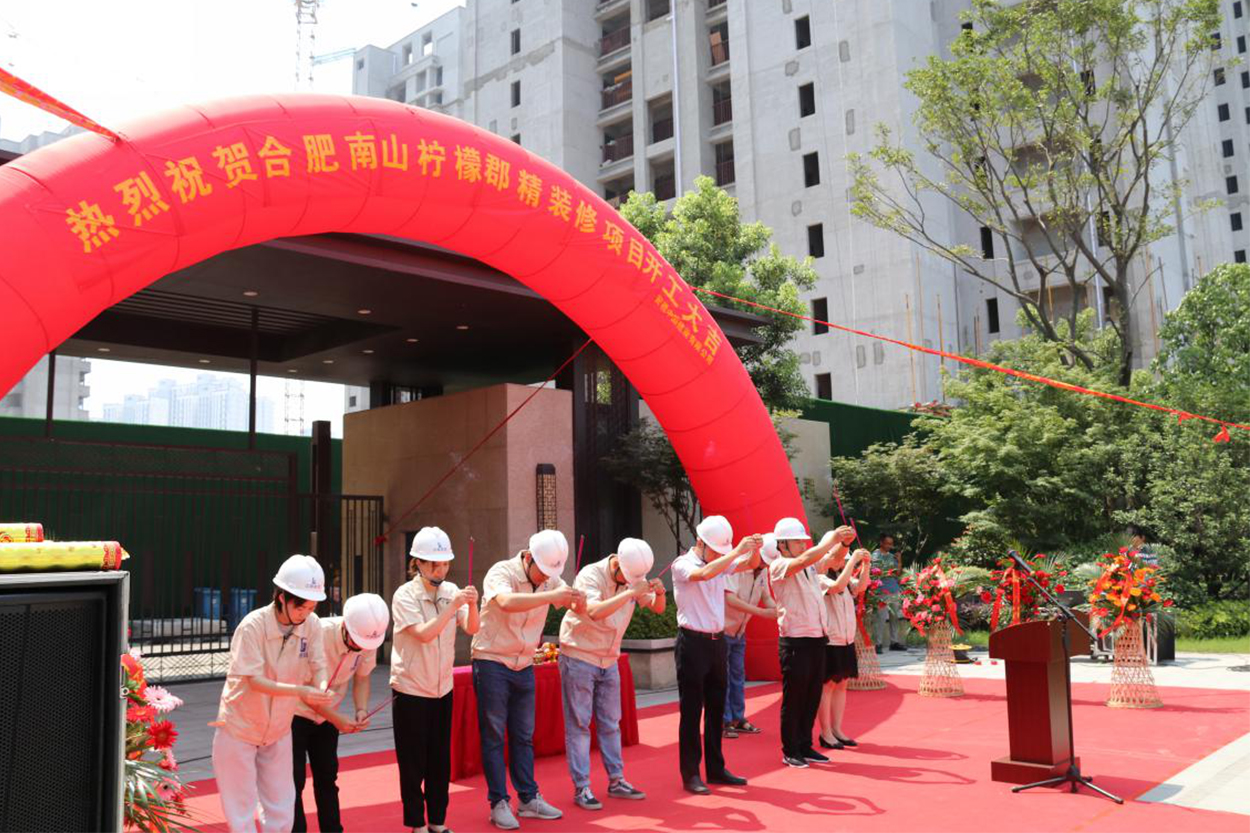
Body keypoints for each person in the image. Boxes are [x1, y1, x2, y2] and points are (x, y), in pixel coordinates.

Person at [472, 530, 587, 830]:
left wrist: (578, 599)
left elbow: (574, 604)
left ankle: (528, 797)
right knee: (494, 736)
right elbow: (506, 601)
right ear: (528, 557)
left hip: (524, 664)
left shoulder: (551, 579)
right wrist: (552, 595)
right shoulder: (502, 571)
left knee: (524, 735)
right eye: (543, 572)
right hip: (492, 660)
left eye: (551, 574)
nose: (546, 578)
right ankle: (498, 802)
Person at [213, 555, 334, 833]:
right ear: (282, 597)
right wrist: (301, 691)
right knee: (240, 806)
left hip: (279, 727)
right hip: (240, 725)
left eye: (312, 607)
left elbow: (319, 664)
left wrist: (322, 686)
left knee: (282, 804)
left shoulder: (312, 624)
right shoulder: (252, 626)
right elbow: (255, 680)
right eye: (301, 606)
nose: (306, 613)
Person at [558, 538, 665, 810]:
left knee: (611, 723)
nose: (630, 582)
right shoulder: (591, 575)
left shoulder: (634, 575)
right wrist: (630, 593)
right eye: (627, 578)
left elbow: (657, 607)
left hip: (610, 658)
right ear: (617, 563)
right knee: (579, 724)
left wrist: (660, 593)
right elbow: (593, 611)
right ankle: (582, 787)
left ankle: (616, 780)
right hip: (580, 655)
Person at [391, 526, 481, 833]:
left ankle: (438, 823)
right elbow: (424, 634)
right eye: (434, 565)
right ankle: (416, 824)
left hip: (443, 688)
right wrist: (454, 606)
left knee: (440, 761)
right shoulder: (405, 595)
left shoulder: (451, 590)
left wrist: (472, 604)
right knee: (412, 761)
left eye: (445, 564)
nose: (441, 570)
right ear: (417, 562)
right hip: (411, 688)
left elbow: (472, 628)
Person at [670, 515, 761, 795]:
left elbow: (750, 564)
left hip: (717, 641)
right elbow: (703, 575)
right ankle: (690, 773)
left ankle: (716, 768)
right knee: (691, 711)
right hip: (692, 643)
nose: (720, 556)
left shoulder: (719, 561)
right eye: (716, 550)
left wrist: (754, 549)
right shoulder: (682, 564)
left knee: (716, 708)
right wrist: (735, 552)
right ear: (700, 542)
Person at [291, 593, 389, 833]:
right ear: (346, 625)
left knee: (327, 777)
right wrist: (337, 720)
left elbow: (362, 678)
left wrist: (361, 709)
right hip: (294, 713)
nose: (360, 648)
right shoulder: (317, 634)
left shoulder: (368, 639)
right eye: (356, 642)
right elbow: (303, 689)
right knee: (294, 781)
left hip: (327, 715)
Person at [767, 519, 855, 768]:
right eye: (796, 541)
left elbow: (831, 559)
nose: (801, 545)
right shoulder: (779, 565)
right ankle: (790, 750)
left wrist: (844, 544)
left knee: (812, 696)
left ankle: (805, 745)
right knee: (795, 698)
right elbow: (805, 559)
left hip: (817, 638)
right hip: (795, 640)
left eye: (803, 541)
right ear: (782, 544)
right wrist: (832, 539)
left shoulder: (809, 567)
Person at [818, 547, 871, 750]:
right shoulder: (820, 576)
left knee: (842, 684)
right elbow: (837, 587)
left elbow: (861, 587)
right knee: (828, 685)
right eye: (840, 559)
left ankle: (837, 729)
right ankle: (826, 732)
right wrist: (852, 561)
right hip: (830, 639)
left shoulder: (845, 576)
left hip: (846, 638)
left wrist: (866, 565)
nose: (842, 562)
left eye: (845, 559)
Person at [722, 551, 776, 739]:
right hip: (722, 629)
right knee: (723, 678)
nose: (764, 566)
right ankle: (724, 720)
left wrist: (776, 609)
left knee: (738, 675)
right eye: (763, 561)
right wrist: (761, 612)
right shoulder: (735, 566)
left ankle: (738, 718)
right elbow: (730, 599)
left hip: (740, 630)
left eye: (767, 563)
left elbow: (766, 596)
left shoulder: (763, 571)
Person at [871, 534, 906, 652]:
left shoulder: (892, 556)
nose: (890, 546)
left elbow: (897, 573)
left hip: (894, 589)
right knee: (880, 618)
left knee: (895, 617)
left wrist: (899, 561)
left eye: (891, 544)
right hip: (881, 590)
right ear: (881, 542)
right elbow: (875, 572)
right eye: (887, 543)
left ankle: (894, 642)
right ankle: (878, 643)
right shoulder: (875, 555)